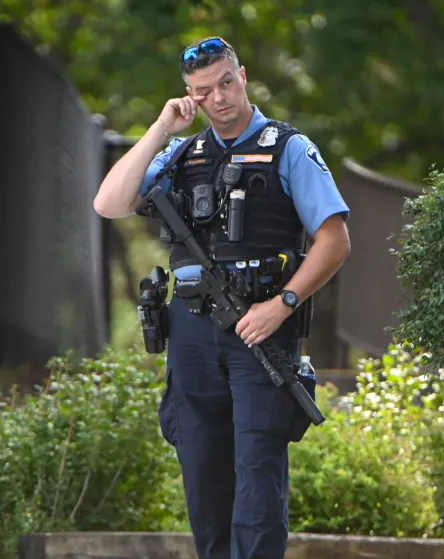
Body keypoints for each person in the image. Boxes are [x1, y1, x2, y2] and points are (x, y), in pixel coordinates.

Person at [93, 37, 351, 559]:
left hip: (260, 327)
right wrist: (164, 127)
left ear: (244, 76)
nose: (219, 98)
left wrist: (283, 303)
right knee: (203, 479)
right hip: (190, 333)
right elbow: (109, 202)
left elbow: (335, 240)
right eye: (202, 91)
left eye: (226, 83)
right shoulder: (183, 152)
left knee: (257, 483)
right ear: (190, 96)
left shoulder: (288, 146)